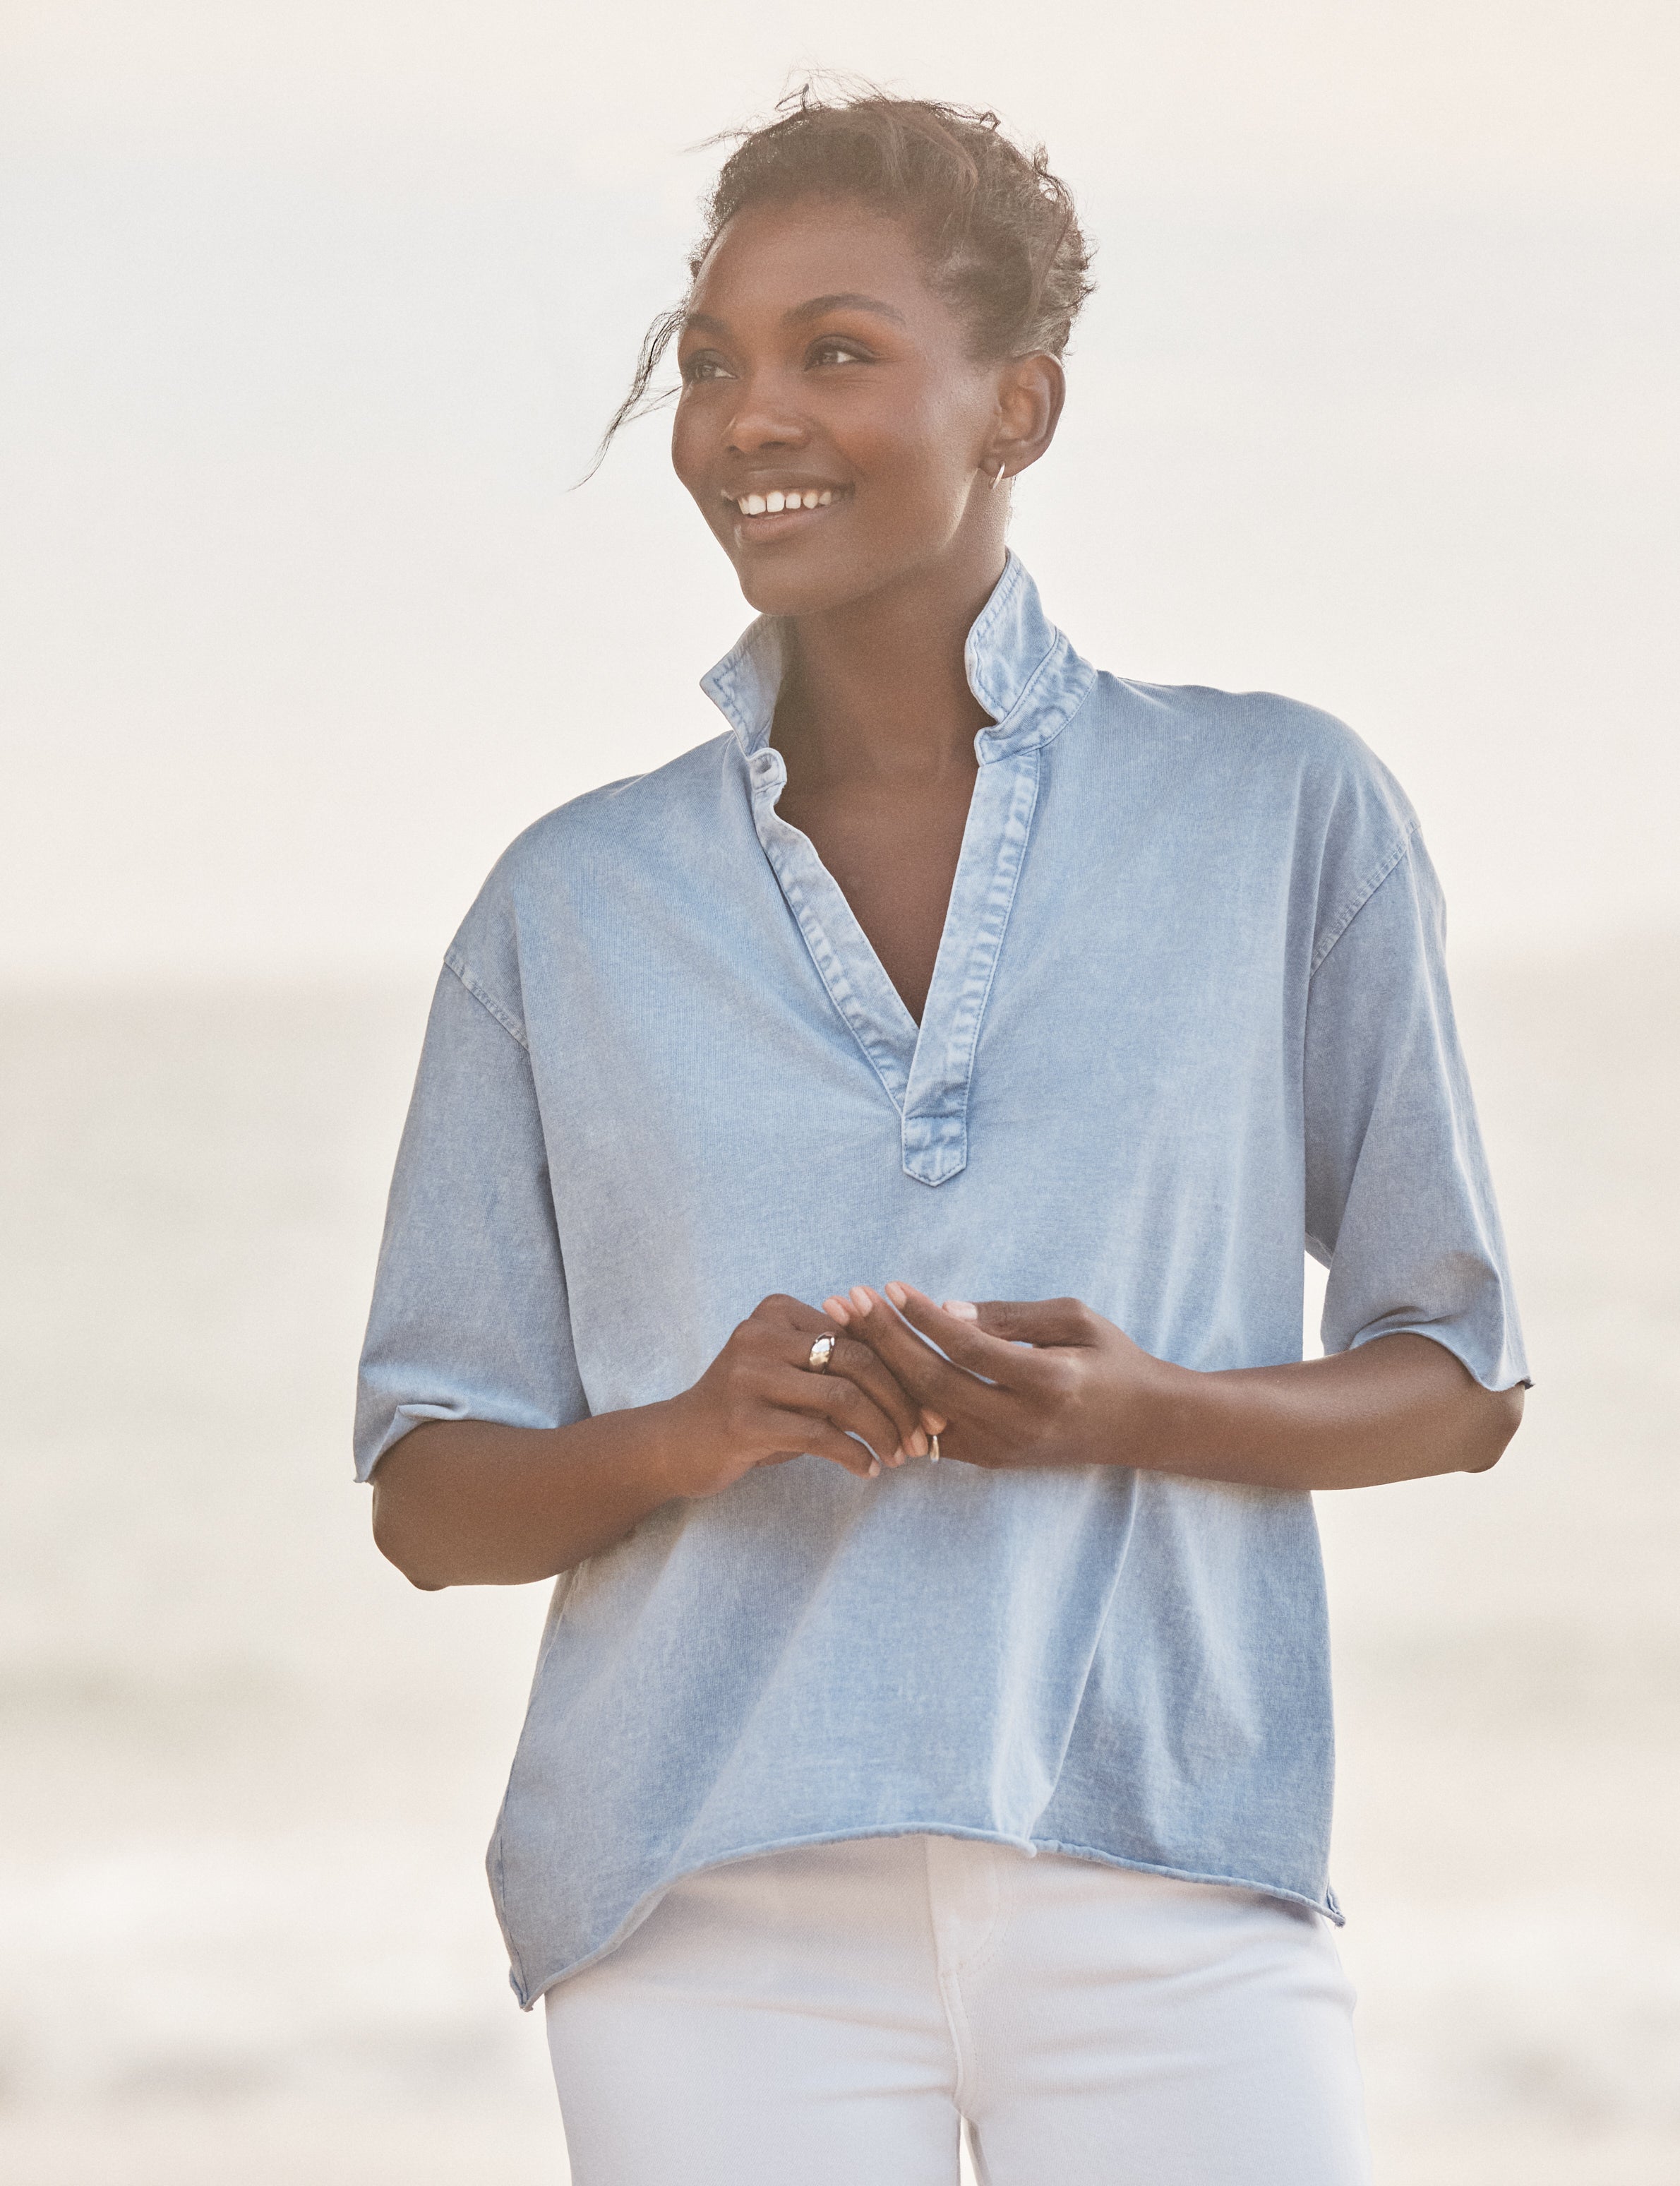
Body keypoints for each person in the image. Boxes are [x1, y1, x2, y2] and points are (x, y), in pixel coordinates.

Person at [356, 89, 1527, 2186]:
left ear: (1021, 405)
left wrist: (1139, 1405)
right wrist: (693, 1431)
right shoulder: (566, 907)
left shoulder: (1278, 814)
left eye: (834, 351)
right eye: (708, 362)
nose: (744, 418)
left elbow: (1456, 1380)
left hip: (1169, 1871)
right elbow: (430, 1494)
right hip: (702, 1915)